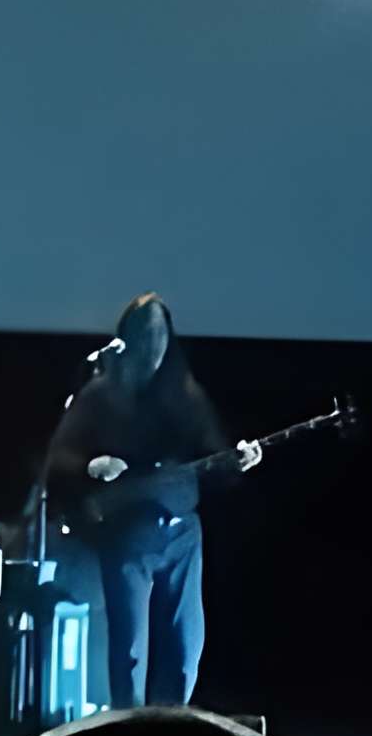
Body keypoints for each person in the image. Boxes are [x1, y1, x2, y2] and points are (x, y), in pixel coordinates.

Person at [41, 294, 264, 708]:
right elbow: (59, 460)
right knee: (129, 651)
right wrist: (93, 465)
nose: (153, 343)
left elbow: (214, 454)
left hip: (182, 536)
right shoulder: (100, 395)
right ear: (127, 338)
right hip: (128, 537)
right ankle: (128, 729)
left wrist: (238, 460)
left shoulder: (185, 394)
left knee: (185, 648)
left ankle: (172, 729)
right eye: (145, 333)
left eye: (160, 333)